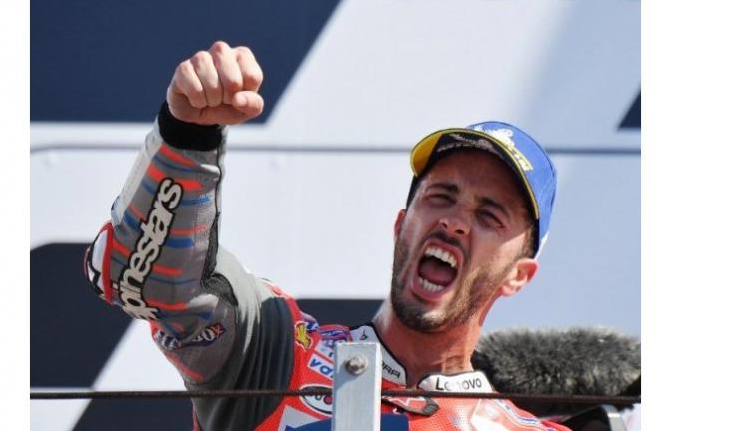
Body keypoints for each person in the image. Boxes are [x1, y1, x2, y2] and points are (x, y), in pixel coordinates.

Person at [83, 41, 568, 431]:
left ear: (518, 275)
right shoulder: (275, 348)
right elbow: (141, 279)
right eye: (442, 195)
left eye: (489, 215)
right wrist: (188, 138)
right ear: (402, 225)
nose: (455, 221)